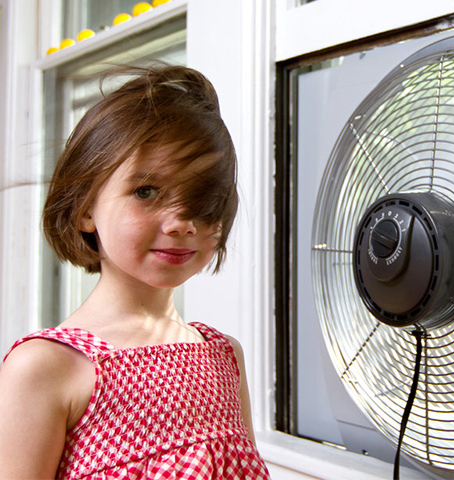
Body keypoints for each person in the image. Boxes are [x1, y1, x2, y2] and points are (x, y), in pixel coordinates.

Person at [0, 65, 271, 479]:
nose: (182, 222)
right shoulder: (45, 367)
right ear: (86, 208)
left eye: (203, 196)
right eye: (146, 192)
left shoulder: (225, 356)